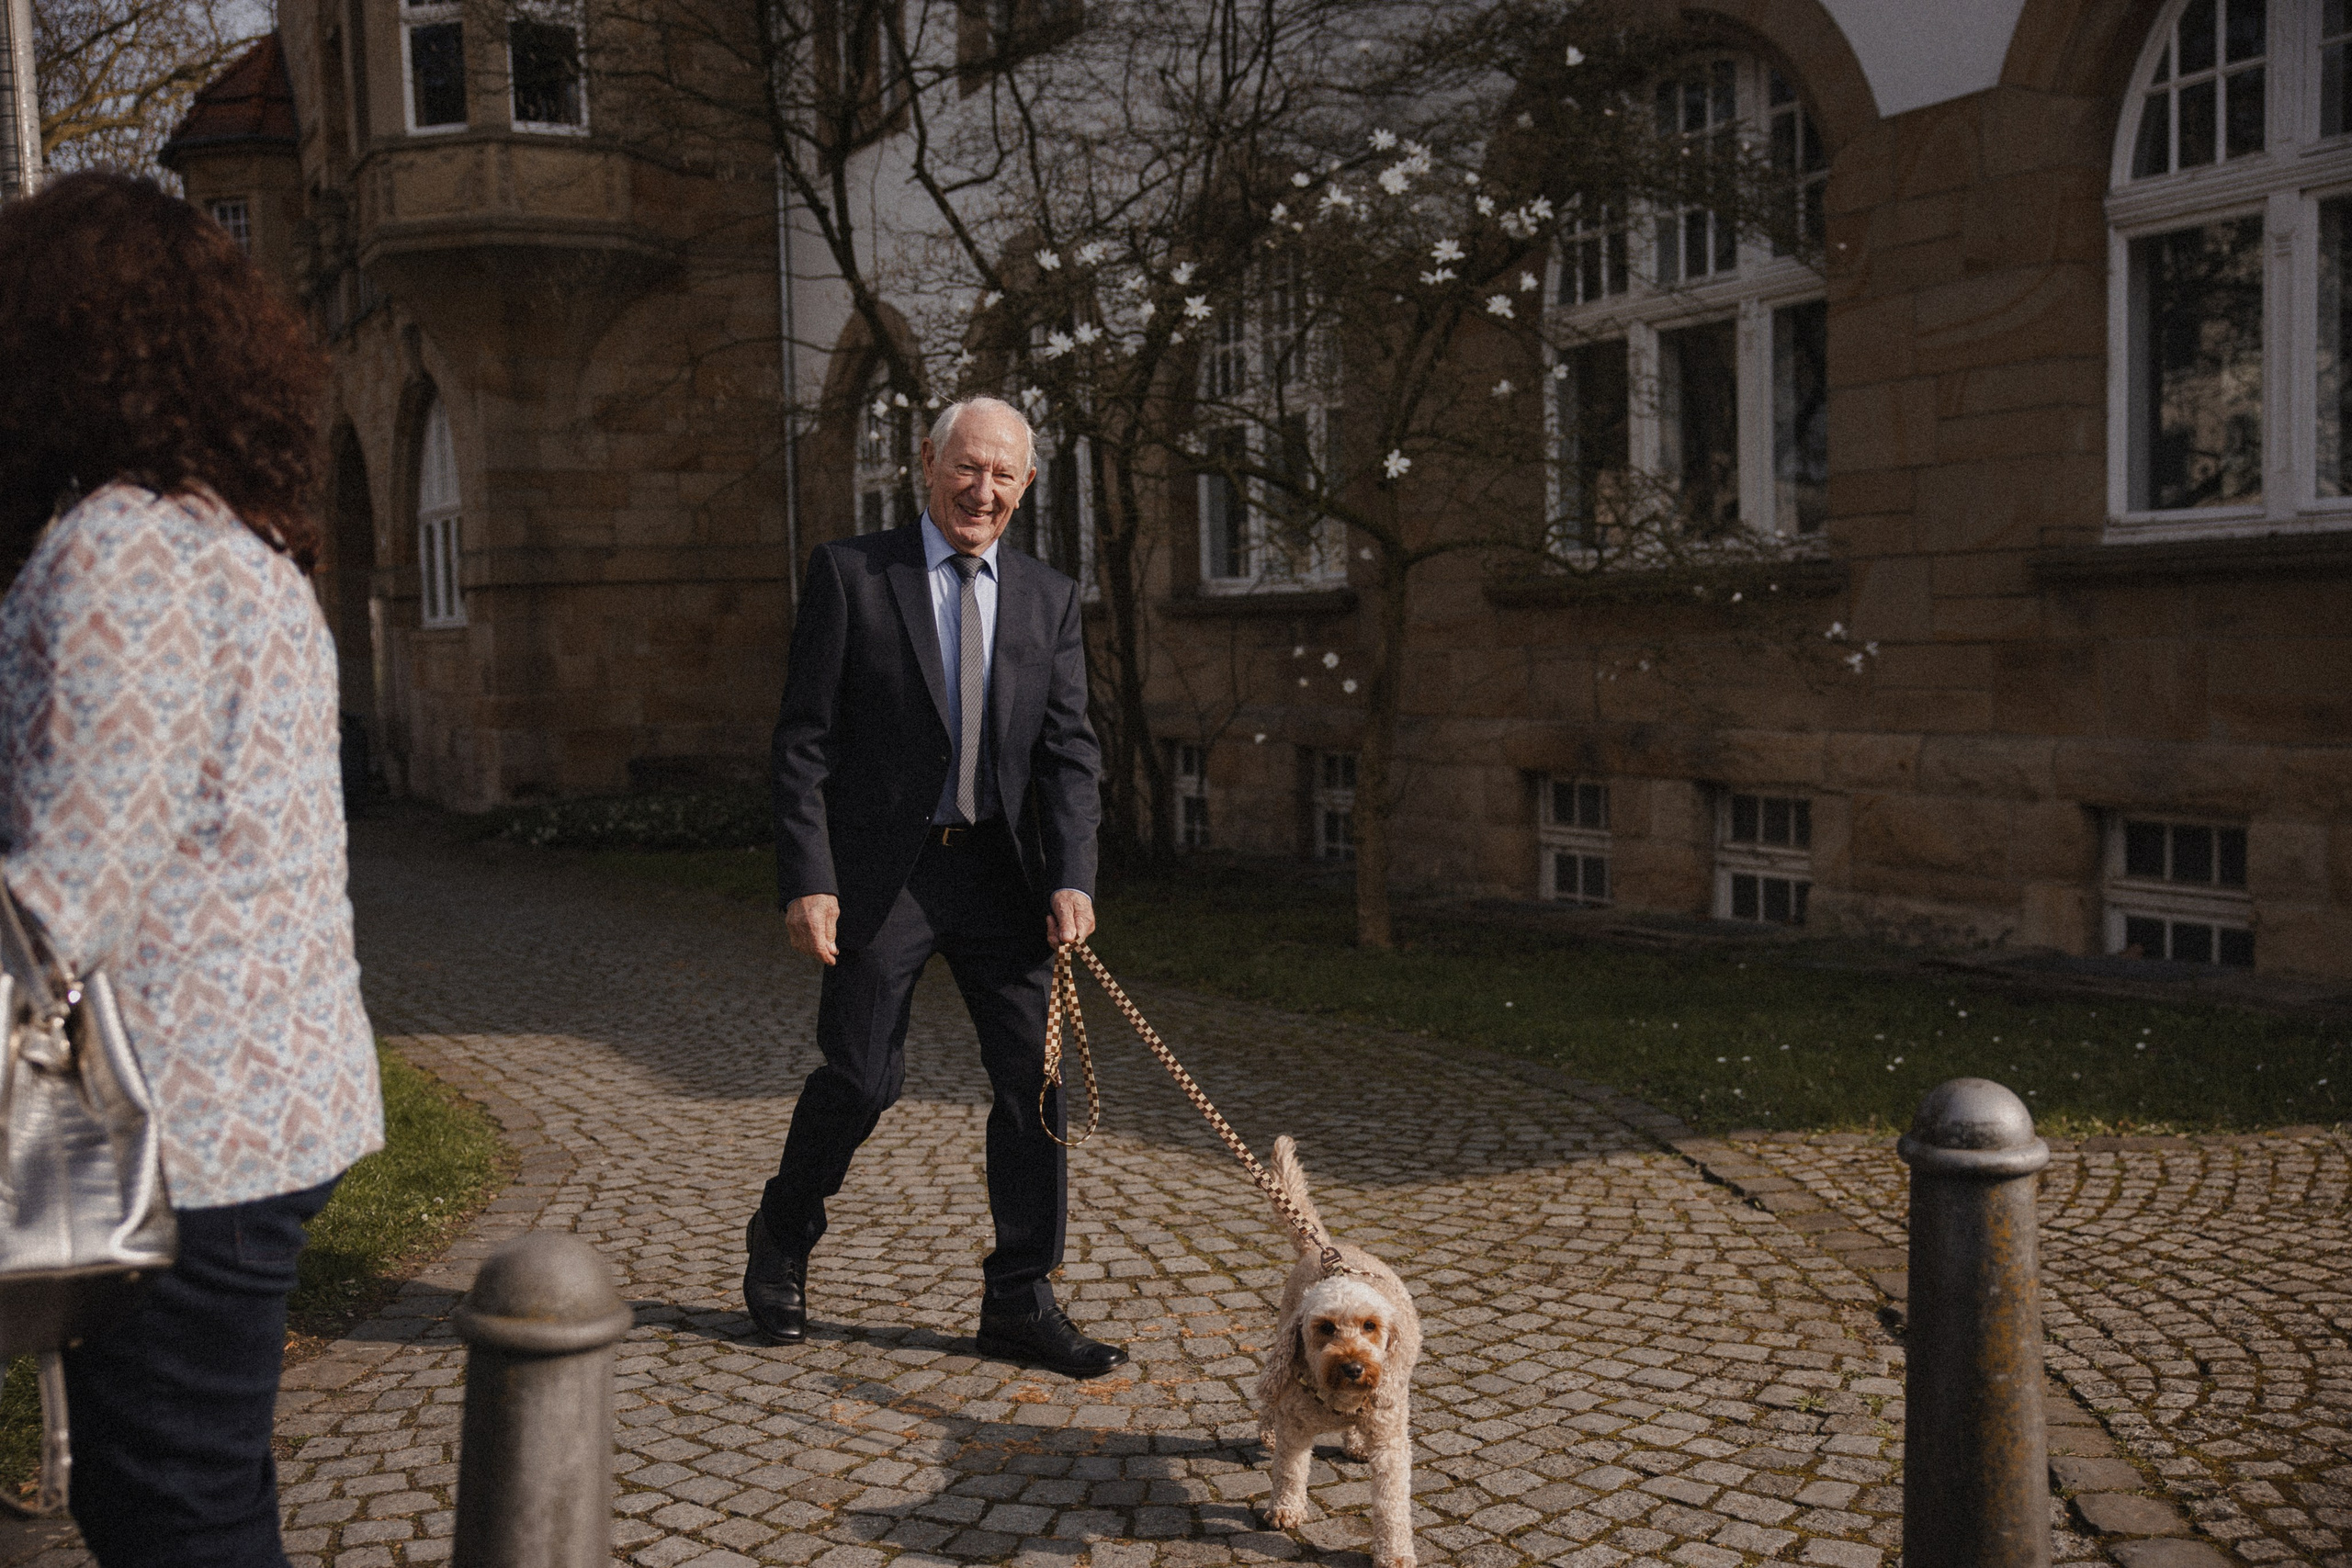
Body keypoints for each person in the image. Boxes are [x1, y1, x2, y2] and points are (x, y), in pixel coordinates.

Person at [0, 173, 385, 1565]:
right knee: (204, 1491)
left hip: (177, 1135)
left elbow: (70, 886)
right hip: (258, 1108)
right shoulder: (239, 543)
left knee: (173, 1513)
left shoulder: (119, 551)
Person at [750, 394, 1124, 1378]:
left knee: (1032, 1088)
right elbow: (802, 744)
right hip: (890, 873)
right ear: (928, 462)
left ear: (1027, 485)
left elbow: (1069, 756)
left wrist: (1073, 876)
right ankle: (783, 1234)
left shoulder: (1046, 596)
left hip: (1004, 876)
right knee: (863, 1077)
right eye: (968, 468)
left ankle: (1018, 1298)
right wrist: (810, 878)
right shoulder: (852, 574)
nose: (983, 490)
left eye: (1004, 475)